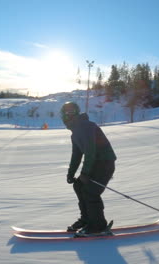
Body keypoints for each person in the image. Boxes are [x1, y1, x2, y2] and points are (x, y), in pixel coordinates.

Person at [60, 101, 117, 235]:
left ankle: (98, 226)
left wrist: (85, 173)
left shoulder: (85, 126)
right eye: (64, 113)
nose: (66, 116)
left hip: (104, 162)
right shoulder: (75, 132)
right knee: (79, 186)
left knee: (91, 192)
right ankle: (87, 219)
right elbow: (76, 154)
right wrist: (71, 173)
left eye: (68, 113)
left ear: (73, 113)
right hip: (96, 163)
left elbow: (91, 151)